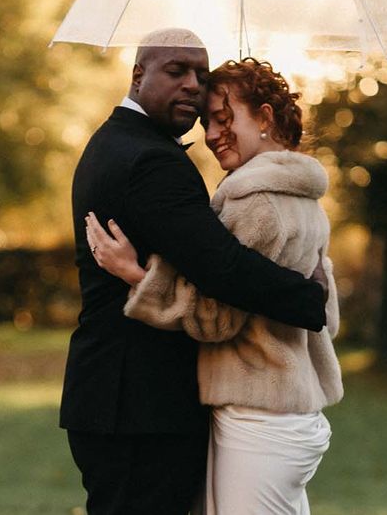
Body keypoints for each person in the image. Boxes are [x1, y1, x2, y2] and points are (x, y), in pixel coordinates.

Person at [61, 27, 328, 515]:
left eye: (201, 75)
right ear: (138, 75)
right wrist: (310, 298)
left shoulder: (114, 142)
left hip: (123, 401)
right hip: (139, 405)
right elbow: (223, 269)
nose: (193, 85)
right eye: (177, 70)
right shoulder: (151, 160)